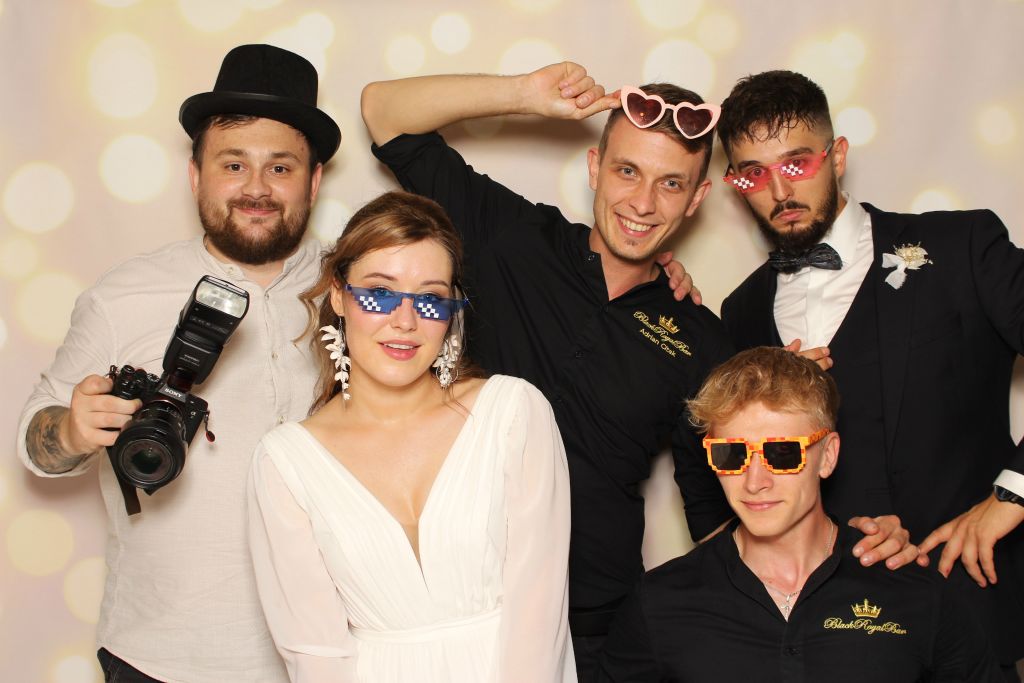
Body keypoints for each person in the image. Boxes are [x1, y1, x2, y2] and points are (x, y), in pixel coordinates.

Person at [360, 62, 915, 680]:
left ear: (697, 198)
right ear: (595, 168)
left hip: (593, 627)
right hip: (450, 604)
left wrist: (850, 552)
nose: (643, 204)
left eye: (671, 183)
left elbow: (722, 514)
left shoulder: (702, 338)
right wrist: (524, 95)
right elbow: (384, 112)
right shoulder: (512, 236)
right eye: (627, 171)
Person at [15, 44, 338, 682]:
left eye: (280, 167)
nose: (256, 189)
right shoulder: (122, 296)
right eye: (233, 164)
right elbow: (34, 442)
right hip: (159, 657)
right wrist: (73, 430)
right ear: (195, 175)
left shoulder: (361, 291)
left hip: (326, 656)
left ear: (314, 180)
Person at [716, 70, 1024, 677]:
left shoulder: (961, 245)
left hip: (971, 607)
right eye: (753, 173)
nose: (779, 189)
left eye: (797, 163)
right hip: (826, 636)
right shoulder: (741, 311)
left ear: (837, 157)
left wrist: (1010, 496)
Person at [247, 190, 575, 682]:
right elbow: (315, 655)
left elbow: (540, 613)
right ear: (338, 295)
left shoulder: (512, 414)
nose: (405, 321)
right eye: (379, 293)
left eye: (430, 299)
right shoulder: (286, 462)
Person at [599, 347, 1003, 682]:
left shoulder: (913, 593)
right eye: (731, 454)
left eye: (782, 453)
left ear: (827, 456)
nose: (755, 482)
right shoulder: (660, 604)